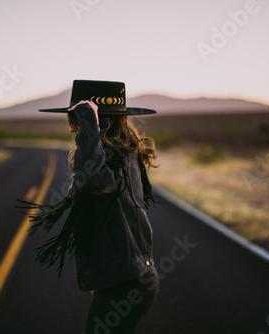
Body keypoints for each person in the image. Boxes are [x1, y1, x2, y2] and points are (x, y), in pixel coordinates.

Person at [18, 80, 159, 333]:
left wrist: (88, 126)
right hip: (131, 275)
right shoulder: (120, 151)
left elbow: (93, 178)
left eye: (76, 118)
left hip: (126, 281)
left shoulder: (113, 156)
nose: (73, 125)